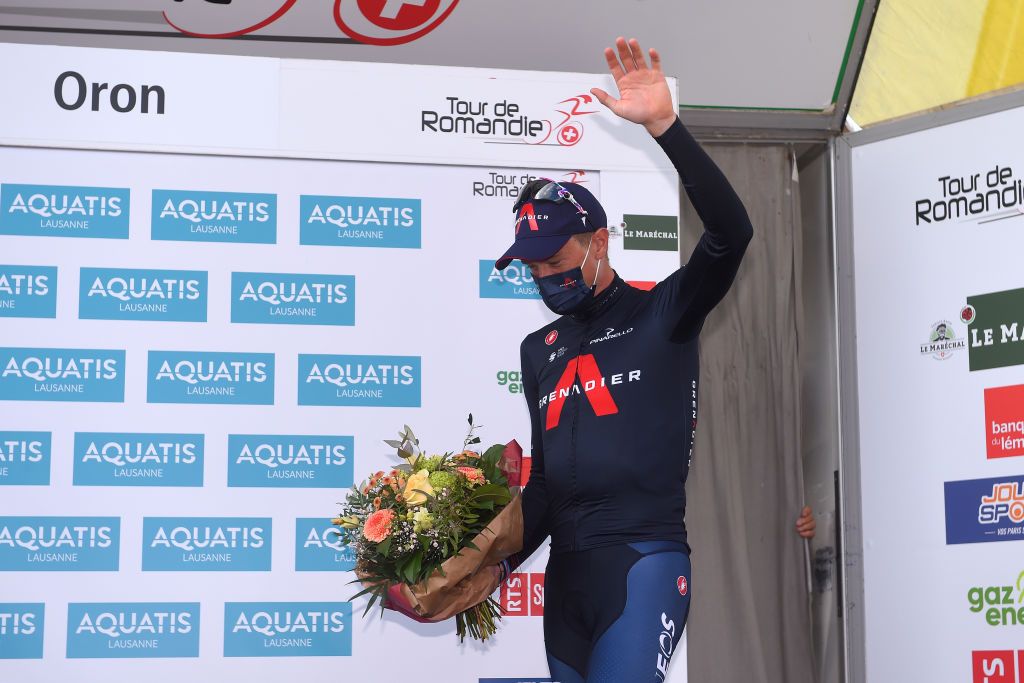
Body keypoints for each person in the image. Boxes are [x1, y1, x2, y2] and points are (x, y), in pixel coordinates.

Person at [486, 37, 754, 683]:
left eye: (555, 259)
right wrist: (480, 563)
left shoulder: (663, 311)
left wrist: (665, 126)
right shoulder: (537, 350)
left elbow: (731, 234)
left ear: (600, 241)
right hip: (567, 579)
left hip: (643, 560)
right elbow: (546, 486)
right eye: (532, 267)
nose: (544, 275)